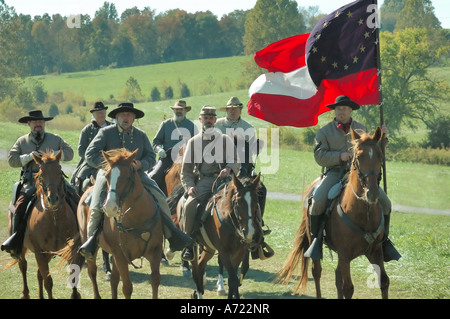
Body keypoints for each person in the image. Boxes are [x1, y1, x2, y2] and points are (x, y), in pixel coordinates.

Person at [78, 102, 193, 260]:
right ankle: (91, 242)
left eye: (129, 115)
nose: (126, 117)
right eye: (123, 115)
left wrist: (141, 164)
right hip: (109, 174)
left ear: (133, 118)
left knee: (160, 197)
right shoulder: (105, 132)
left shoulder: (140, 134)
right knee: (97, 204)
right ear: (117, 117)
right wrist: (110, 165)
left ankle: (172, 235)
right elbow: (90, 155)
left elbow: (151, 157)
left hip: (136, 175)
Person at [309, 95, 400, 261]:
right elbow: (319, 156)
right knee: (317, 200)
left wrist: (383, 139)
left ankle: (384, 242)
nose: (341, 111)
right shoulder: (324, 132)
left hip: (360, 175)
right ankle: (316, 241)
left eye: (344, 108)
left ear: (351, 110)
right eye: (338, 109)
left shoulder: (362, 129)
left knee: (386, 203)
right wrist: (339, 156)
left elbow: (374, 151)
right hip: (335, 173)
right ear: (334, 111)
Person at [1, 110, 75, 259]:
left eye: (40, 122)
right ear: (29, 124)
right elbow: (12, 160)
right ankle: (16, 241)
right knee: (20, 206)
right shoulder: (22, 141)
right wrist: (29, 157)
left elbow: (70, 153)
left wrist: (53, 154)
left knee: (76, 197)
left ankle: (82, 238)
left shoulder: (55, 139)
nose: (38, 124)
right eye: (34, 122)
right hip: (31, 182)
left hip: (55, 179)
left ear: (44, 123)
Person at [215, 97, 273, 259]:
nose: (232, 111)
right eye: (229, 109)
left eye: (235, 108)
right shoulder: (218, 125)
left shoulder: (248, 128)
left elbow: (252, 153)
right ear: (226, 110)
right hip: (221, 169)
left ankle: (258, 224)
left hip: (244, 171)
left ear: (241, 110)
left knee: (261, 190)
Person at [180, 105, 239, 261]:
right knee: (189, 206)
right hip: (204, 181)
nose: (209, 121)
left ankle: (254, 240)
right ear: (200, 120)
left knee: (246, 200)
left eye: (211, 118)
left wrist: (228, 168)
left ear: (215, 120)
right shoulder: (193, 142)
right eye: (205, 118)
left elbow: (235, 161)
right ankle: (189, 244)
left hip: (225, 182)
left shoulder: (225, 140)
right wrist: (190, 186)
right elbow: (185, 171)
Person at [149, 100, 197, 195]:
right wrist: (159, 149)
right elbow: (156, 141)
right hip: (167, 157)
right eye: (176, 109)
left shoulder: (191, 126)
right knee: (154, 177)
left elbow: (197, 144)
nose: (178, 111)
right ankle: (156, 201)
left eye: (181, 109)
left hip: (185, 159)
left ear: (185, 111)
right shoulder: (165, 124)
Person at [70, 101, 113, 195]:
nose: (100, 115)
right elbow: (81, 150)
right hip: (90, 163)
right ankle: (78, 199)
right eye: (98, 113)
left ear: (105, 113)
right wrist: (93, 159)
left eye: (102, 112)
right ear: (93, 114)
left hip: (111, 162)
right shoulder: (87, 130)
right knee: (79, 179)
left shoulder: (113, 127)